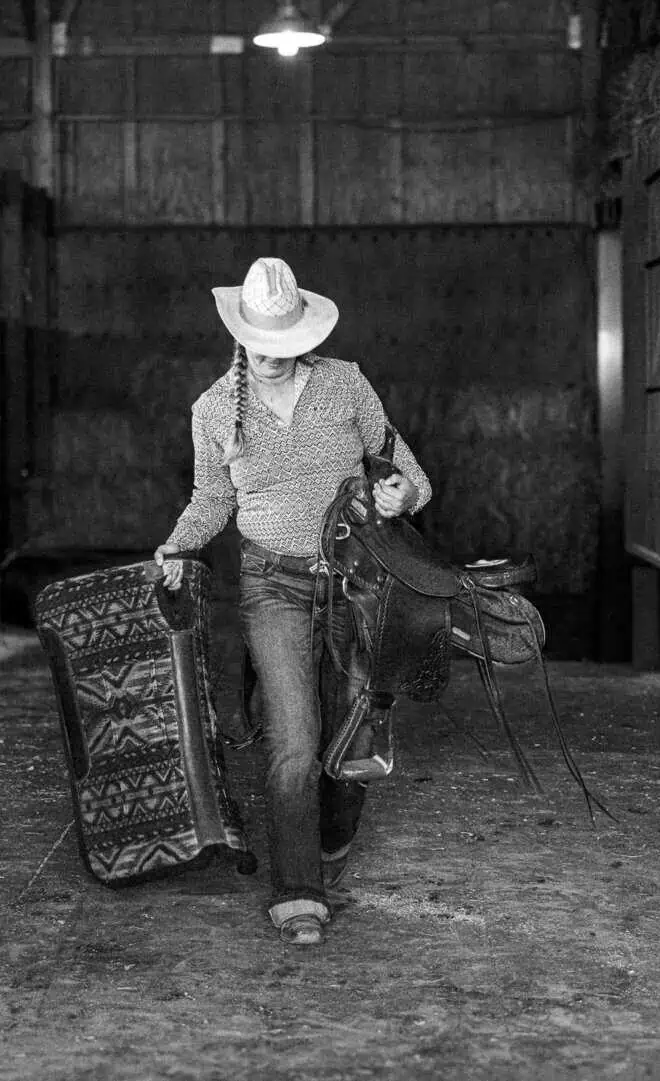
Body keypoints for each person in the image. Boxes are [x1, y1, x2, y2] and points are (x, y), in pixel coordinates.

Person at [154, 257, 433, 946]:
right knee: (295, 740)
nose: (271, 357)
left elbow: (403, 464)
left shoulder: (347, 384)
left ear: (303, 335)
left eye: (284, 345)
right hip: (270, 584)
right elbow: (212, 498)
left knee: (352, 733)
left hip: (355, 581)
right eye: (260, 345)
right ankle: (299, 888)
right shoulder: (216, 409)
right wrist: (175, 545)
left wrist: (406, 493)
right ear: (240, 334)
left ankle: (331, 838)